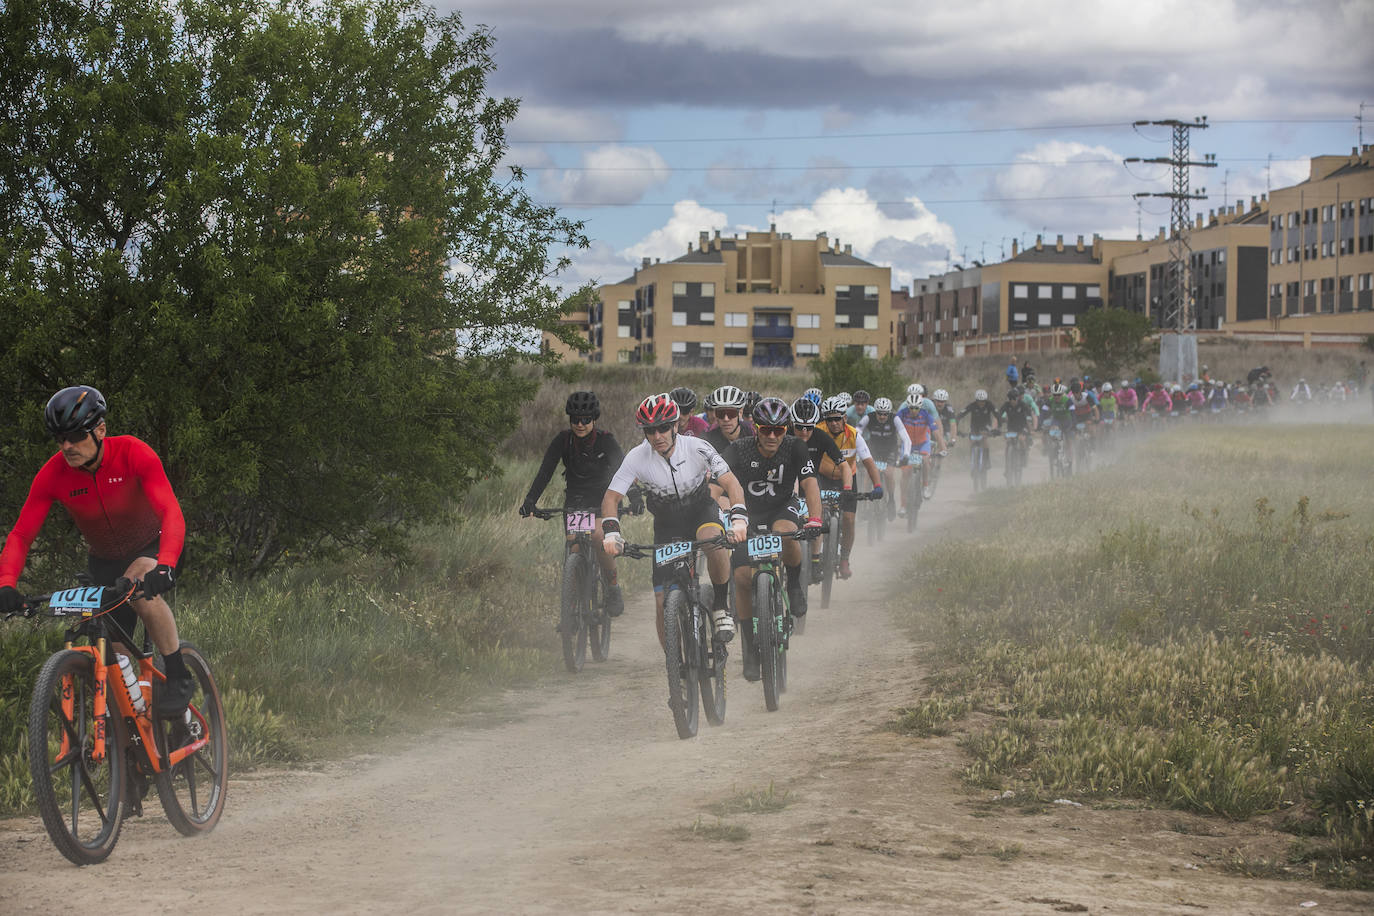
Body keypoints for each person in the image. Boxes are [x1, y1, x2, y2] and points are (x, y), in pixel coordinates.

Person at [0, 386, 194, 717]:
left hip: (155, 545)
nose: (66, 446)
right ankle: (135, 737)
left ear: (100, 429)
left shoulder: (133, 452)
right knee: (113, 659)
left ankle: (177, 674)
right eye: (60, 438)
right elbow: (20, 535)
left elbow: (171, 512)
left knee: (138, 586)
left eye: (75, 435)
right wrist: (6, 583)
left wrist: (166, 565)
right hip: (105, 560)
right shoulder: (53, 474)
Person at [601, 394, 746, 647]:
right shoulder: (637, 457)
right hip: (667, 524)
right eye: (650, 430)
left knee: (712, 541)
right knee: (661, 602)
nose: (657, 436)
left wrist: (739, 519)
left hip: (701, 510)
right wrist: (611, 533)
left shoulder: (697, 447)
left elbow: (731, 482)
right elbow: (611, 497)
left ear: (676, 425)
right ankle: (675, 662)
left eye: (663, 428)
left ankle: (721, 606)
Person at [720, 397, 822, 681]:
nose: (773, 436)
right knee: (740, 577)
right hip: (746, 515)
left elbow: (810, 485)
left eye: (779, 430)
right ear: (755, 427)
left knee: (785, 534)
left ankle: (793, 586)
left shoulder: (795, 447)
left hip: (781, 507)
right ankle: (750, 651)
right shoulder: (738, 449)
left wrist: (815, 519)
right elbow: (715, 488)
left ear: (786, 429)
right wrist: (726, 514)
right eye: (766, 430)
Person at [520, 391, 626, 618]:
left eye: (585, 419)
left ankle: (613, 586)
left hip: (603, 500)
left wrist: (634, 497)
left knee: (599, 537)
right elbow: (545, 471)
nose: (580, 424)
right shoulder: (563, 440)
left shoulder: (606, 440)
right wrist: (530, 500)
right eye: (575, 419)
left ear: (594, 419)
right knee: (574, 546)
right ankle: (573, 607)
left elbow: (623, 470)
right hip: (575, 501)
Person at [819, 396, 882, 578]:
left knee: (848, 519)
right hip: (822, 477)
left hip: (847, 479)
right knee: (817, 513)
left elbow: (869, 462)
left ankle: (844, 558)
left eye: (837, 418)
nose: (833, 423)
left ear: (844, 418)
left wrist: (877, 485)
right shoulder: (818, 432)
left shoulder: (854, 435)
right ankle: (816, 554)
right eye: (829, 419)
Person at [790, 396, 849, 579]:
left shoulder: (821, 437)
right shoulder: (784, 437)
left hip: (811, 483)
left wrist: (847, 489)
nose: (805, 432)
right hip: (788, 482)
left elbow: (844, 466)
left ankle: (815, 560)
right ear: (792, 424)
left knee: (818, 516)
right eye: (800, 427)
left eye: (809, 428)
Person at [703, 384, 754, 455]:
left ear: (740, 413)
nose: (726, 419)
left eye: (731, 413)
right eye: (720, 413)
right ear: (715, 415)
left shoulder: (752, 433)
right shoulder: (708, 438)